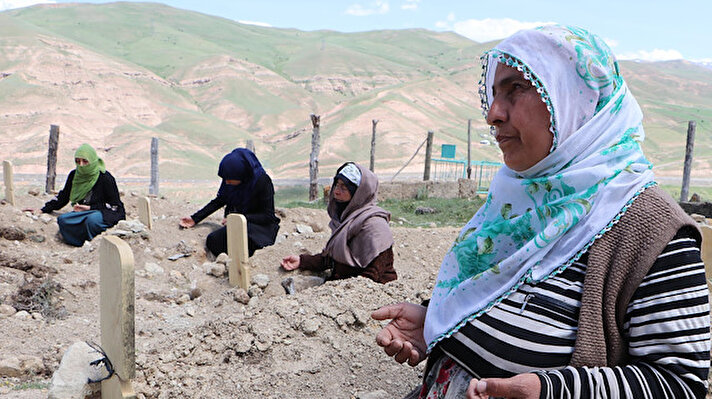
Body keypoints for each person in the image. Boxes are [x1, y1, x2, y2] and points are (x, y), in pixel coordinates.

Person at [372, 25, 710, 399]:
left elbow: (680, 384)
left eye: (516, 88)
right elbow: (507, 293)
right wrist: (443, 325)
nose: (493, 114)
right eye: (493, 93)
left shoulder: (650, 228)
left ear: (575, 97)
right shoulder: (517, 198)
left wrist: (553, 390)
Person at [280, 162, 397, 286]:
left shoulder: (374, 225)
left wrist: (340, 290)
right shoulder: (346, 220)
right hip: (343, 286)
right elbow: (333, 259)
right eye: (336, 185)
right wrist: (302, 261)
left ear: (358, 193)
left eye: (344, 187)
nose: (336, 191)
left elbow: (372, 274)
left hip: (371, 291)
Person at [180, 148, 280, 257]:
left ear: (241, 173)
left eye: (230, 179)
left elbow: (267, 216)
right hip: (236, 223)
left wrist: (238, 218)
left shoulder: (262, 182)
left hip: (258, 226)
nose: (226, 182)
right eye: (225, 179)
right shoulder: (230, 180)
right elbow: (221, 200)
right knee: (213, 240)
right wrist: (195, 218)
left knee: (247, 240)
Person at [36, 143, 125, 246]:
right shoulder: (74, 175)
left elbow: (115, 206)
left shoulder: (105, 178)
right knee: (63, 220)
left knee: (92, 221)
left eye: (85, 161)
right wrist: (43, 209)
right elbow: (63, 197)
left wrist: (90, 207)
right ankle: (81, 243)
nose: (81, 165)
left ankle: (97, 244)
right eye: (78, 161)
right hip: (83, 212)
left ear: (92, 160)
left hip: (104, 212)